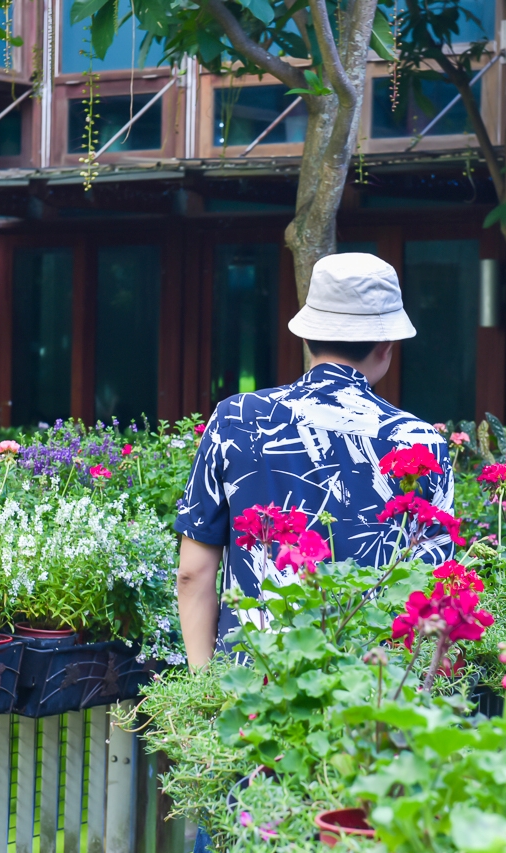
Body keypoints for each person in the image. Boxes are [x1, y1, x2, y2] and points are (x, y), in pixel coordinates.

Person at [174, 252, 453, 671]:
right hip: (370, 688)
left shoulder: (235, 419)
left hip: (252, 688)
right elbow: (432, 591)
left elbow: (192, 574)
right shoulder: (421, 442)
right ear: (386, 346)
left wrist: (204, 690)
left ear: (307, 337)